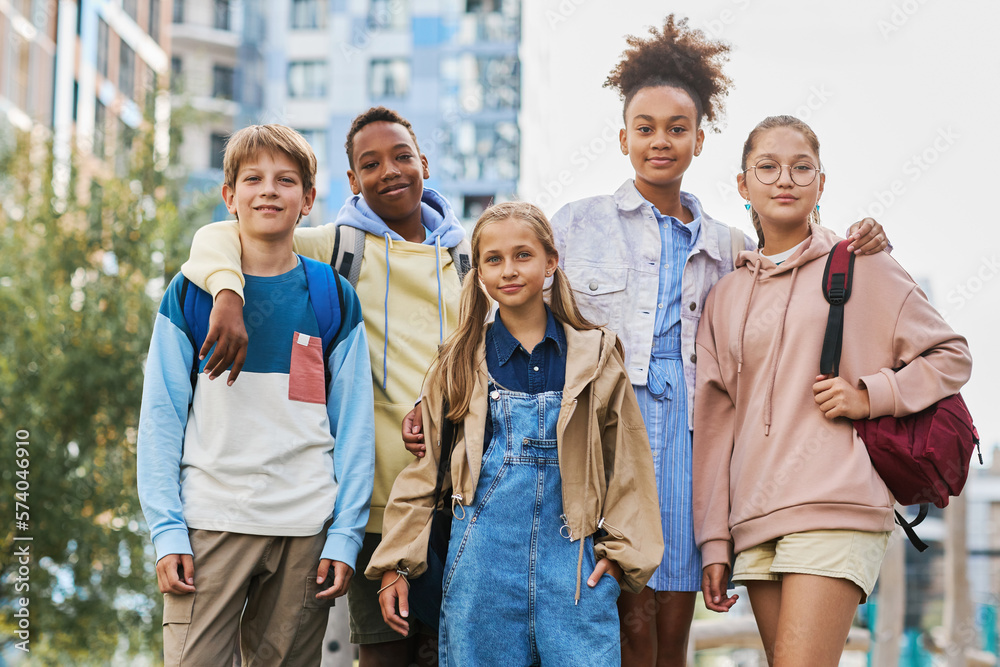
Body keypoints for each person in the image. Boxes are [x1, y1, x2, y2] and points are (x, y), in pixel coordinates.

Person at [398, 16, 890, 666]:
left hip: (692, 437)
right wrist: (435, 401)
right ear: (624, 137)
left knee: (669, 623)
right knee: (615, 609)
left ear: (699, 140)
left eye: (677, 129)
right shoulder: (578, 225)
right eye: (646, 128)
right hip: (601, 431)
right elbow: (505, 311)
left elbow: (794, 265)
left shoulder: (730, 246)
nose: (661, 141)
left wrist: (861, 242)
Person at [178, 106, 467, 666]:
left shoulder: (470, 258)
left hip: (456, 502)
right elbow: (220, 233)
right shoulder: (333, 247)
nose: (390, 171)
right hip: (371, 511)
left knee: (453, 653)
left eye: (402, 156)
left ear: (424, 163)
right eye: (370, 163)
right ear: (353, 181)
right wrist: (227, 293)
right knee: (382, 655)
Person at [694, 115, 972, 666]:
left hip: (836, 505)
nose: (785, 179)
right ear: (743, 185)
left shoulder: (863, 264)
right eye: (767, 167)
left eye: (802, 168)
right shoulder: (724, 296)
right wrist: (714, 540)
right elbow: (714, 426)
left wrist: (872, 395)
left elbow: (951, 354)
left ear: (822, 182)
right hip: (755, 517)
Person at [368, 202, 664, 666]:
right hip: (480, 573)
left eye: (523, 255)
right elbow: (425, 474)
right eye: (494, 259)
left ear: (551, 261)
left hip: (573, 571)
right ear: (480, 273)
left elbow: (627, 464)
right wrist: (395, 564)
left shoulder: (596, 356)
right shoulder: (459, 361)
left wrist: (620, 555)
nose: (509, 270)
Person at [137, 124, 375, 665]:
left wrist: (345, 535)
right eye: (253, 178)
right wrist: (167, 531)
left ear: (308, 200)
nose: (269, 190)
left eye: (286, 180)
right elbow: (160, 419)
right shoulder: (192, 294)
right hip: (210, 526)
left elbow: (354, 427)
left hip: (306, 530)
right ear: (230, 197)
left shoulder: (332, 297)